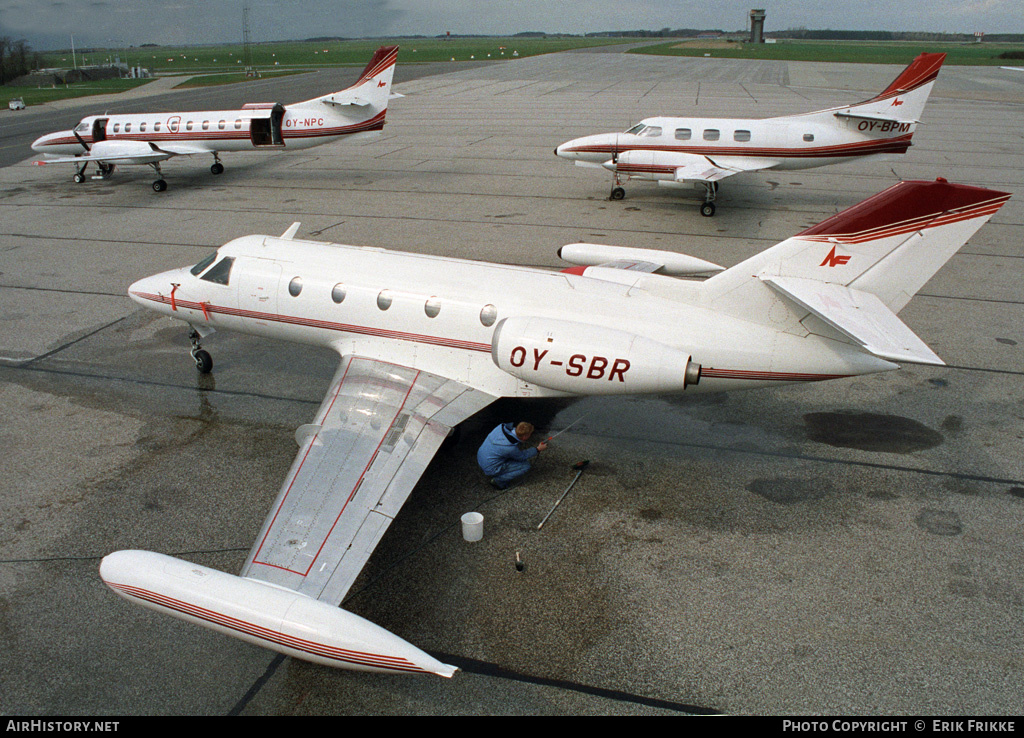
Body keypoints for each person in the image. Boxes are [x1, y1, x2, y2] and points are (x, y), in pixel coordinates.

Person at [477, 421, 548, 490]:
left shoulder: (500, 427)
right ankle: (498, 481)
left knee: (509, 456)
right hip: (490, 468)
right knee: (525, 466)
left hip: (481, 457)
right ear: (524, 437)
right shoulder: (510, 448)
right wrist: (538, 449)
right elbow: (522, 456)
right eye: (530, 434)